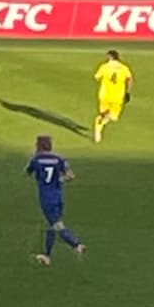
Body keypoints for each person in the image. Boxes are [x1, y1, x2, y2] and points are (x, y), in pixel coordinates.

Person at [27, 135, 83, 265]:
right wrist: (59, 180)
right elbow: (70, 176)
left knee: (57, 225)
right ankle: (47, 255)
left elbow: (28, 172)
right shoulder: (59, 159)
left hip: (46, 198)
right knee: (51, 225)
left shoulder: (36, 159)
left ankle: (76, 244)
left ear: (39, 146)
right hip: (58, 196)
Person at [92, 50, 133, 144]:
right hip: (118, 96)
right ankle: (99, 127)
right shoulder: (124, 68)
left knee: (103, 113)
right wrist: (128, 92)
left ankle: (99, 126)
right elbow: (130, 79)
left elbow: (97, 77)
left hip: (104, 95)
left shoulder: (104, 67)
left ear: (110, 57)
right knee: (114, 117)